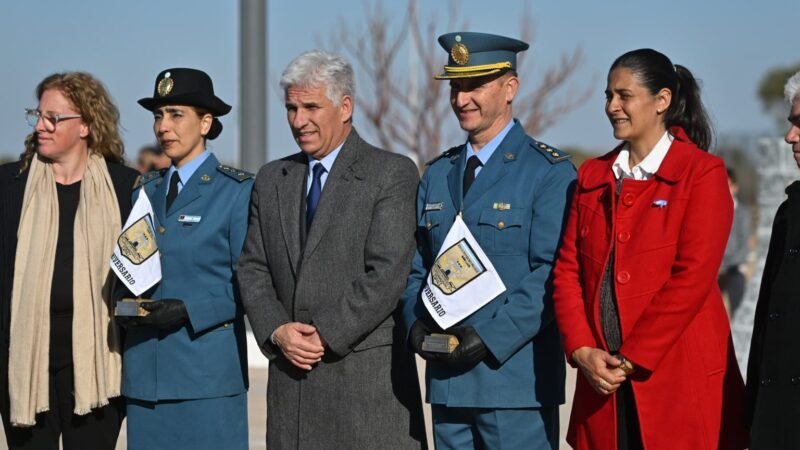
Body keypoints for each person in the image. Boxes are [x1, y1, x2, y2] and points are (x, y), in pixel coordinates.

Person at [552, 48, 748, 449]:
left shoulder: (701, 173)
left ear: (662, 101)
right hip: (602, 385)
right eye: (608, 96)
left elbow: (692, 278)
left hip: (675, 380)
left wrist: (630, 357)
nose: (612, 106)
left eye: (624, 95)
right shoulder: (592, 175)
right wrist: (582, 349)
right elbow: (567, 270)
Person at [237, 50, 426, 449]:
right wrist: (277, 330)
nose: (298, 120)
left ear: (345, 107)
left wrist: (323, 334)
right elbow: (253, 268)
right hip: (292, 395)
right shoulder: (272, 179)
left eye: (310, 107)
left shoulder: (390, 173)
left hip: (364, 396)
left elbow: (387, 273)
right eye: (291, 108)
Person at [401, 32, 576, 450]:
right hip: (447, 384)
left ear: (510, 87)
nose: (462, 99)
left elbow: (550, 275)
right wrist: (415, 325)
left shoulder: (548, 173)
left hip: (514, 384)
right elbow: (416, 266)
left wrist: (489, 339)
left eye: (474, 85)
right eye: (455, 87)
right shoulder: (438, 174)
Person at [0, 72, 138, 449]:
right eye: (38, 115)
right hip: (24, 365)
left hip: (97, 362)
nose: (41, 126)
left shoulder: (126, 188)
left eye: (53, 118)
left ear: (86, 126)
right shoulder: (8, 185)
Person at [119, 68, 252, 450]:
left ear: (206, 123)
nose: (164, 126)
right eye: (158, 115)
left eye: (176, 114)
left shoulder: (237, 191)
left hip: (205, 377)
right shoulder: (146, 189)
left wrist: (189, 309)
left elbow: (250, 282)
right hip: (146, 375)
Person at [746, 69, 800, 449]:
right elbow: (768, 320)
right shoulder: (790, 211)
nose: (789, 136)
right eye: (791, 123)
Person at [718, 168, 752, 318]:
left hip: (733, 268)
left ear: (735, 187)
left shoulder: (743, 214)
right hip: (714, 268)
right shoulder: (713, 211)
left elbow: (743, 248)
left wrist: (723, 265)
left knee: (737, 288)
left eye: (728, 185)